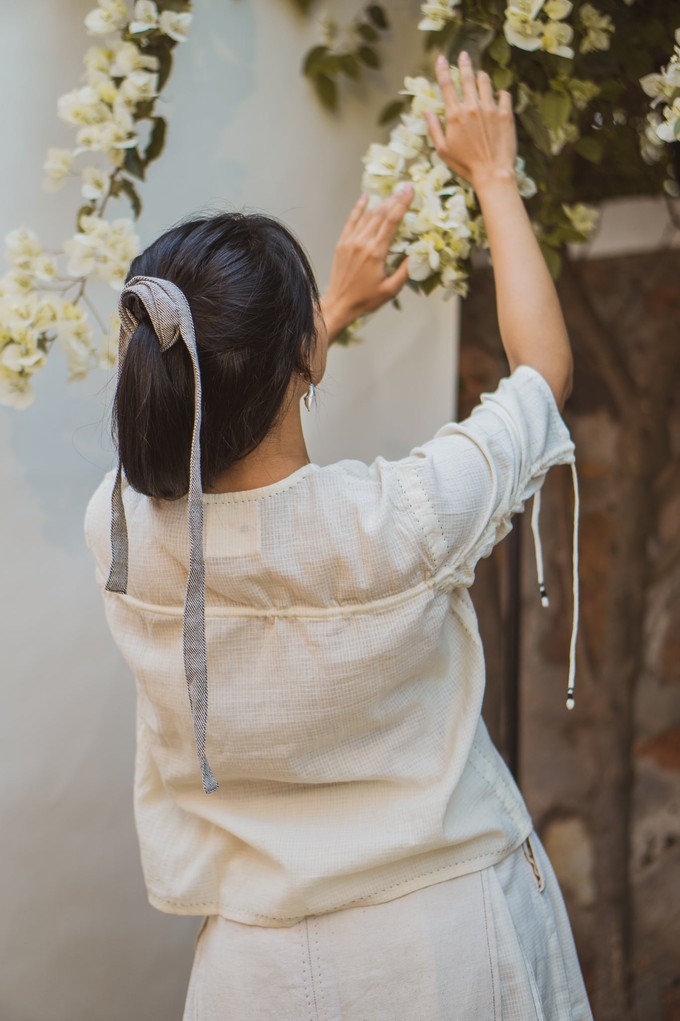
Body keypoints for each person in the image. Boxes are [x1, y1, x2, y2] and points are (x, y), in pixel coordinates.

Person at [85, 52, 592, 1020]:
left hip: (253, 973)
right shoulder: (402, 519)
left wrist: (322, 319)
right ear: (301, 360)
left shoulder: (118, 531)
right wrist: (490, 173)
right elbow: (542, 372)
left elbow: (216, 408)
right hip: (445, 949)